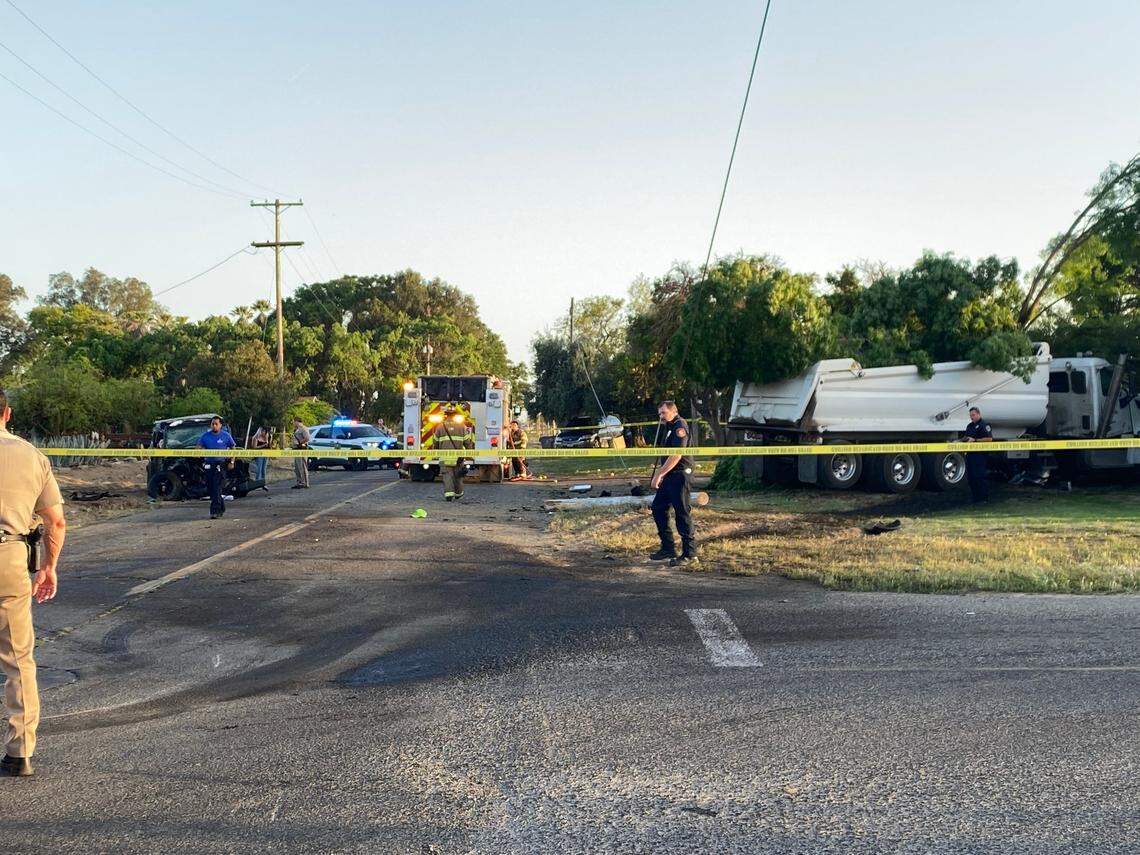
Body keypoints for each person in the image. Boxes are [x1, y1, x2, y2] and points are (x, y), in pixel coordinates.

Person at [0, 388, 66, 778]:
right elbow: (55, 521)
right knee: (17, 659)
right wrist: (48, 566)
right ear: (6, 413)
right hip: (8, 559)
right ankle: (20, 751)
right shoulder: (31, 455)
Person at [649, 400, 697, 565]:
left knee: (682, 513)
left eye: (663, 413)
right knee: (658, 508)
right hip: (670, 475)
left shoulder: (679, 426)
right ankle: (668, 548)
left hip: (680, 475)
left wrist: (659, 474)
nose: (660, 416)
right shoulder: (669, 426)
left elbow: (676, 455)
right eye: (659, 413)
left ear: (673, 411)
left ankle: (690, 554)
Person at [197, 416, 236, 519]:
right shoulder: (205, 436)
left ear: (220, 425)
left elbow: (233, 449)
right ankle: (221, 506)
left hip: (221, 464)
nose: (214, 426)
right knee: (211, 488)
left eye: (216, 424)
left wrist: (232, 461)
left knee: (217, 487)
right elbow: (198, 447)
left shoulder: (226, 436)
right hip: (209, 464)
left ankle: (215, 511)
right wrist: (198, 452)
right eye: (212, 424)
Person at [431, 407, 474, 501]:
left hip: (444, 457)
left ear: (446, 416)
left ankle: (449, 495)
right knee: (458, 475)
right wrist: (470, 454)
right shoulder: (462, 426)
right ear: (455, 416)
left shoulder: (440, 427)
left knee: (447, 475)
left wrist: (435, 453)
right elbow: (467, 442)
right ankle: (458, 493)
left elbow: (435, 442)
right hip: (458, 458)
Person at [963, 405, 993, 503]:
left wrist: (975, 440)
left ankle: (984, 498)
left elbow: (989, 439)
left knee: (979, 476)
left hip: (980, 455)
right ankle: (975, 498)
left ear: (979, 414)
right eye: (970, 415)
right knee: (971, 478)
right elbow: (967, 437)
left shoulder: (984, 425)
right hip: (970, 455)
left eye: (973, 415)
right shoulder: (970, 426)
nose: (972, 417)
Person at [292, 418, 311, 489]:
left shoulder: (304, 428)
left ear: (297, 422)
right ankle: (299, 482)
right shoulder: (297, 429)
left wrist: (299, 443)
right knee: (297, 467)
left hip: (301, 449)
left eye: (294, 422)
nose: (293, 423)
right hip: (296, 450)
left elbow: (307, 438)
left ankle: (305, 483)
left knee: (302, 466)